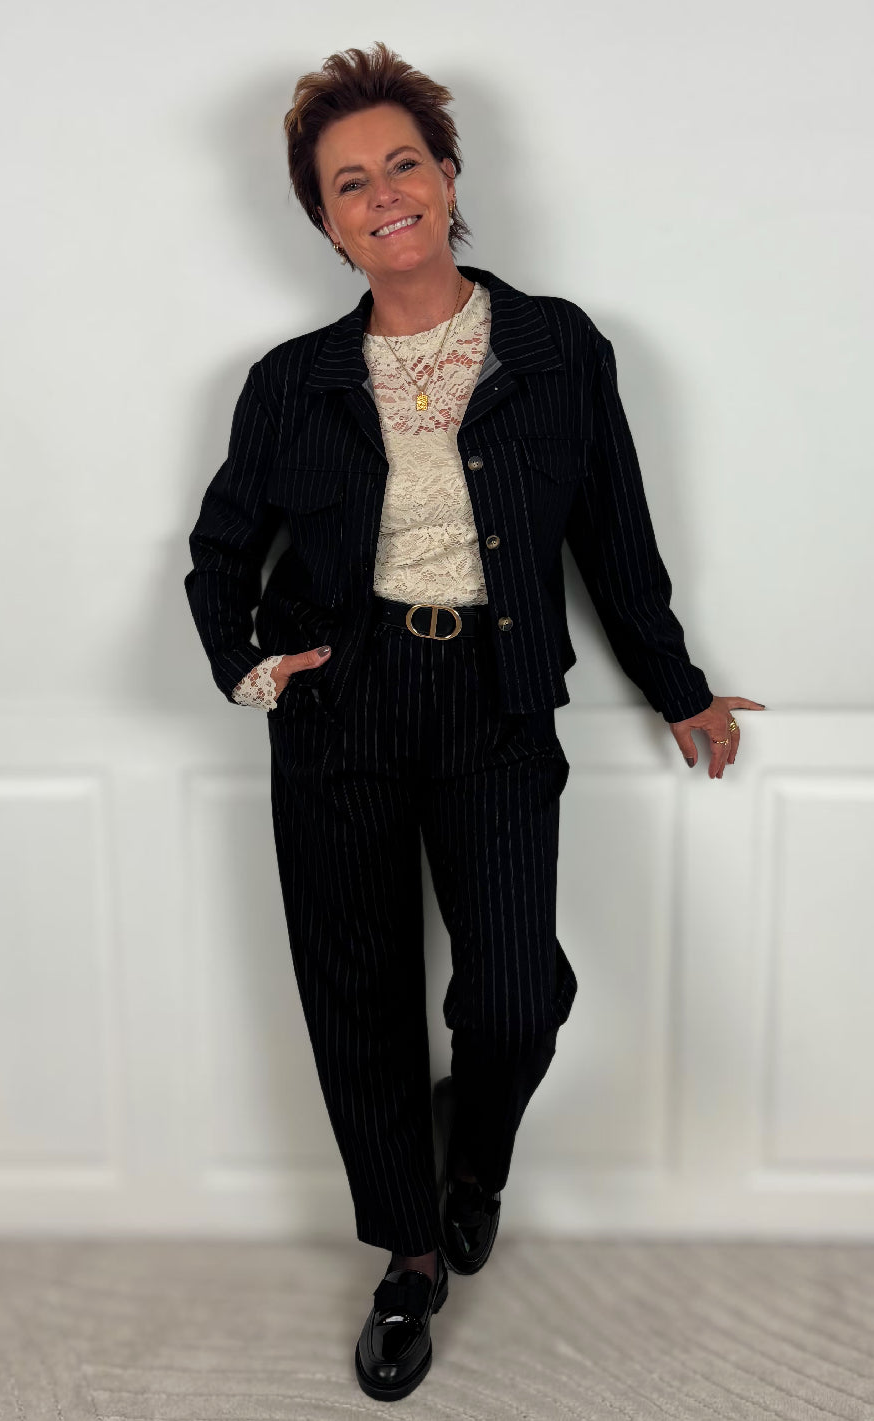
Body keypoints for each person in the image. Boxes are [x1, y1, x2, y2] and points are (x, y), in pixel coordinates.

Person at [183, 41, 765, 1402]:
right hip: (339, 708)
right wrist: (254, 667)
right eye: (349, 184)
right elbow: (219, 553)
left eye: (404, 164)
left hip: (496, 699)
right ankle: (408, 1260)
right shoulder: (290, 381)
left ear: (449, 176)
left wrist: (677, 683)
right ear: (324, 221)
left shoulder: (557, 347)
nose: (384, 194)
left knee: (513, 994)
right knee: (358, 997)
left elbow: (614, 536)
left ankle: (474, 1157)